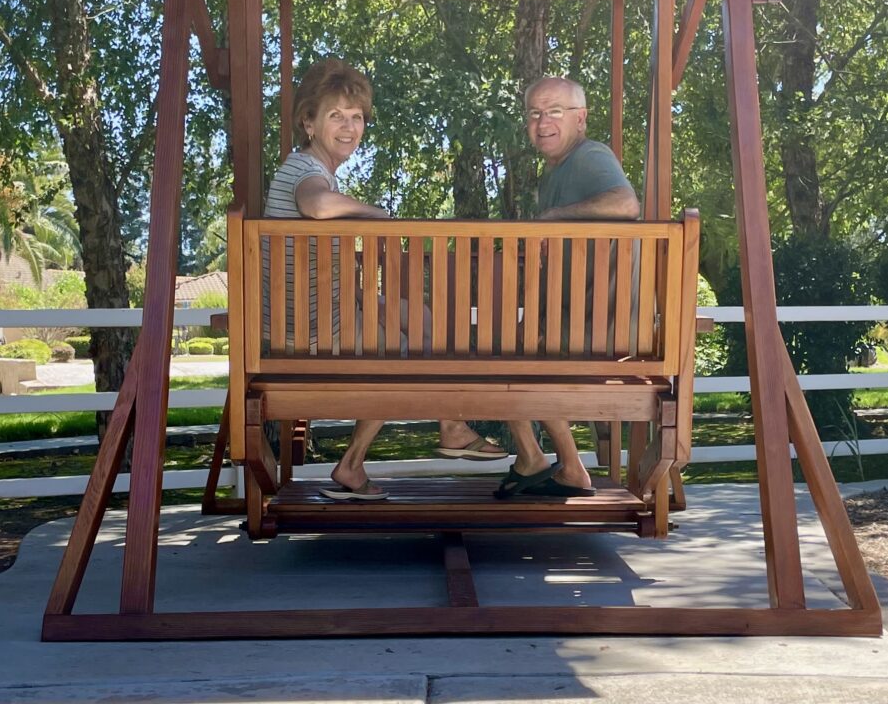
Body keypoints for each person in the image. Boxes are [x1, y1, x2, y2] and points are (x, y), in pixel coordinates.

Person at [265, 58, 505, 502]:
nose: (349, 127)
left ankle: (451, 425)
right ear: (309, 122)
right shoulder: (305, 172)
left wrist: (364, 297)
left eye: (356, 117)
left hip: (311, 317)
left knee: (426, 320)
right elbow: (318, 206)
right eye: (336, 115)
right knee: (405, 350)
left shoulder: (307, 168)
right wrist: (378, 215)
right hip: (308, 333)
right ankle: (361, 460)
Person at [495, 76, 640, 499]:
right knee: (507, 344)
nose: (543, 122)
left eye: (554, 111)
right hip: (586, 319)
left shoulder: (590, 155)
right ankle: (556, 464)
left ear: (580, 118)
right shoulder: (556, 174)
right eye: (534, 113)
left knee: (498, 351)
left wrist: (552, 217)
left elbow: (626, 204)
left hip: (599, 327)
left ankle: (538, 460)